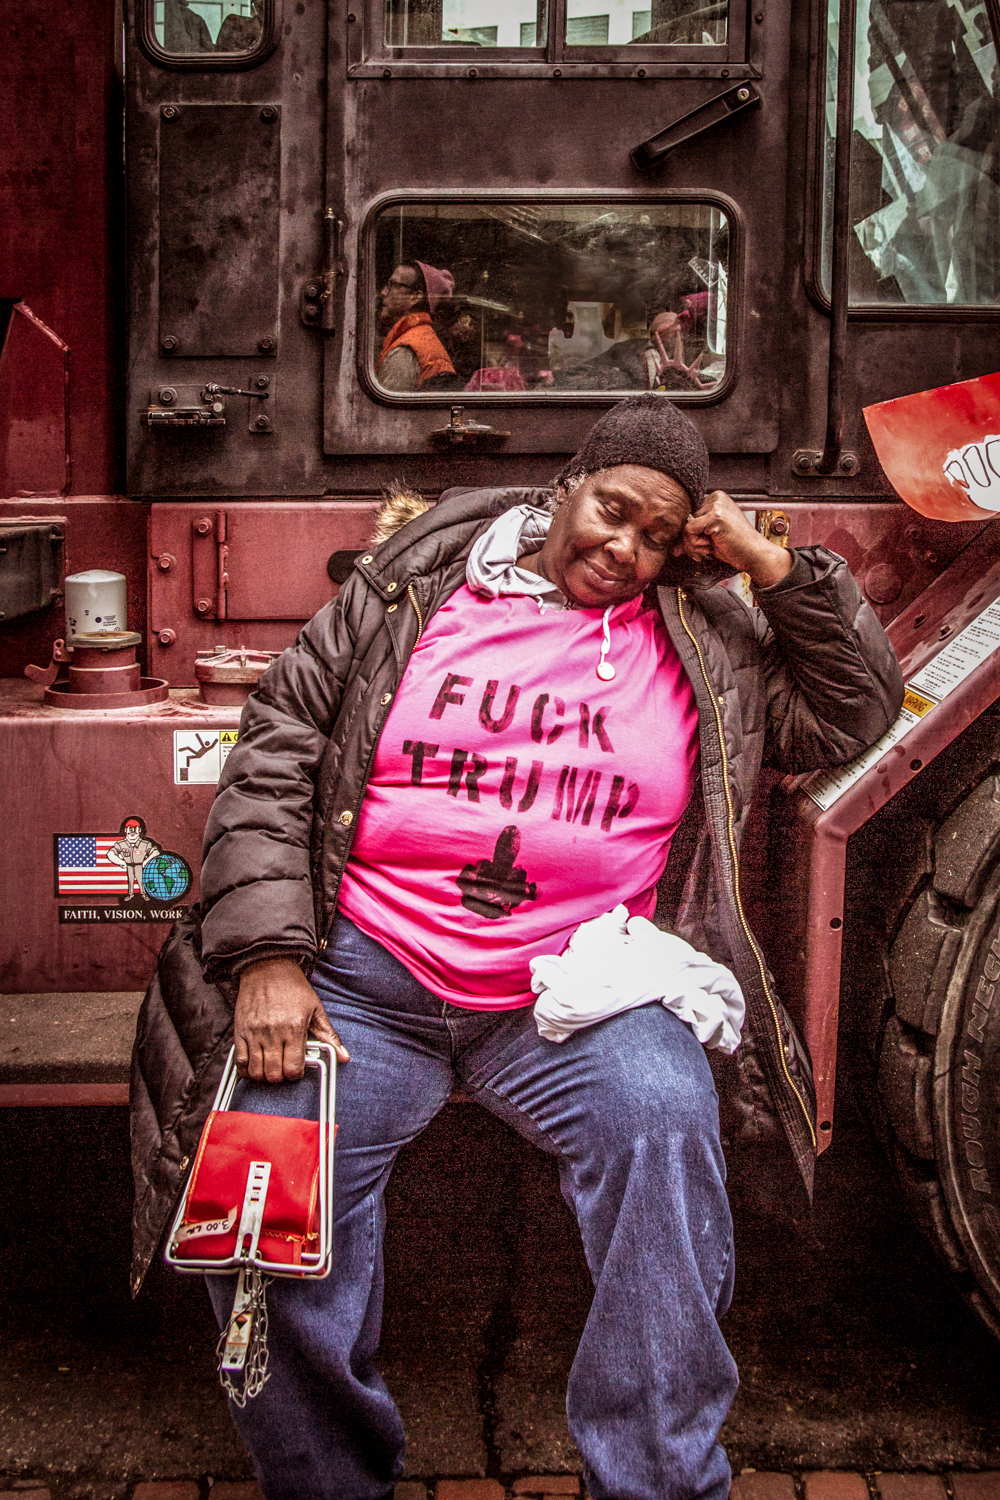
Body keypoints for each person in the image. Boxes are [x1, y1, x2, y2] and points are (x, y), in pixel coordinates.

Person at [130, 395, 903, 1500]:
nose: (622, 549)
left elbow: (853, 710)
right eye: (611, 511)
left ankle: (653, 1482)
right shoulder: (413, 586)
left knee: (664, 1124)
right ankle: (326, 1480)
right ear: (567, 485)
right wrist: (266, 959)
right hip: (362, 979)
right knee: (269, 1174)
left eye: (655, 536)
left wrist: (766, 563)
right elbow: (274, 753)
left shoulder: (702, 634)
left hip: (570, 994)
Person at [376, 261, 456, 390]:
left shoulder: (405, 349)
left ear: (415, 297)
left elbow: (386, 410)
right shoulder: (421, 336)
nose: (383, 293)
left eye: (393, 285)